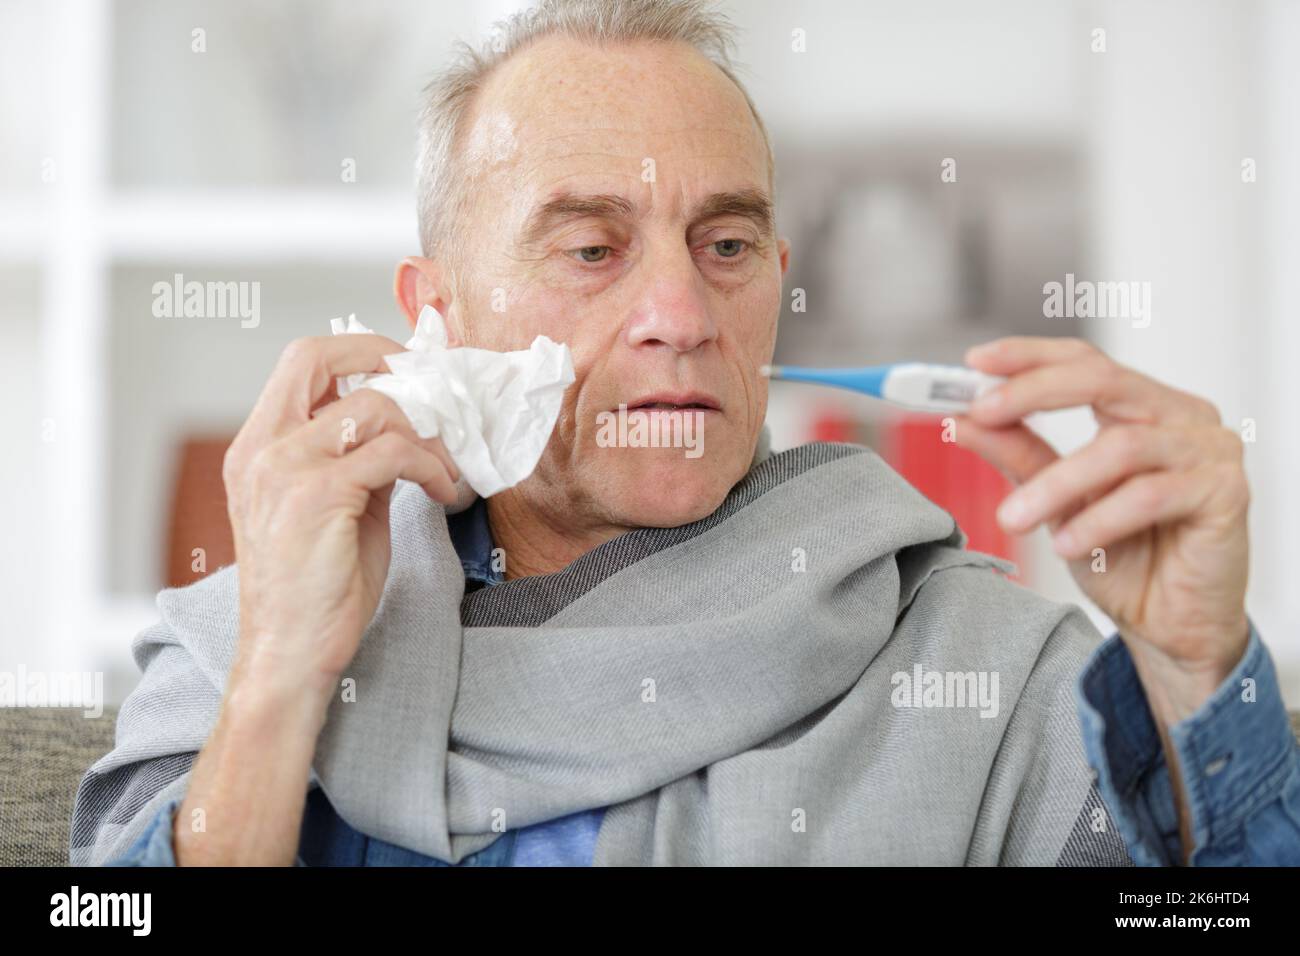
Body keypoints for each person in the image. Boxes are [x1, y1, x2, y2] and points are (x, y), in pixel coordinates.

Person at [72, 0, 1298, 867]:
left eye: (723, 248)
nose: (679, 314)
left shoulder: (975, 654)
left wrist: (1195, 673)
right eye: (591, 248)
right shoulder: (242, 644)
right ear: (434, 315)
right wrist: (281, 673)